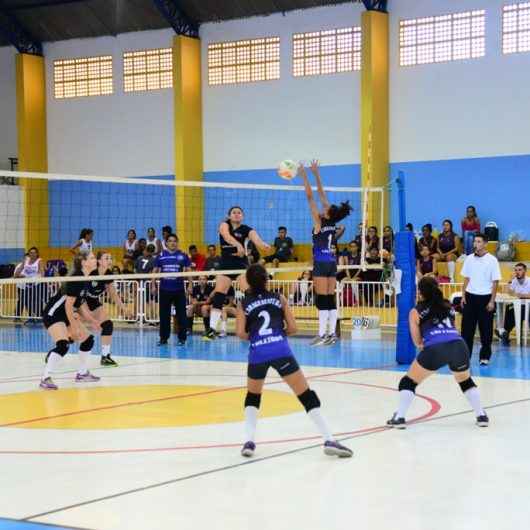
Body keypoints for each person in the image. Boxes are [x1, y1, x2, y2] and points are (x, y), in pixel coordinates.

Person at [236, 263, 353, 458]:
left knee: (253, 396)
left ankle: (249, 442)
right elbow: (293, 329)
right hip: (280, 349)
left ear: (248, 281)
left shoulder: (243, 303)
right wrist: (278, 333)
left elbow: (240, 333)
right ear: (267, 280)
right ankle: (329, 438)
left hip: (258, 352)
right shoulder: (279, 298)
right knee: (306, 395)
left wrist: (257, 337)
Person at [387, 276, 489, 429]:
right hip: (459, 346)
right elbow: (452, 328)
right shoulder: (448, 306)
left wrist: (427, 346)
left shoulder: (415, 311)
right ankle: (481, 415)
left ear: (420, 292)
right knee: (466, 382)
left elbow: (417, 342)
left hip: (435, 348)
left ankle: (399, 417)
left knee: (408, 382)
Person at [299, 160, 352, 346]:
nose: (323, 206)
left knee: (323, 299)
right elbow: (320, 194)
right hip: (331, 262)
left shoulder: (319, 222)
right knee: (329, 299)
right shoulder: (331, 222)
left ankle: (323, 334)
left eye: (326, 208)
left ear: (328, 212)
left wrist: (304, 175)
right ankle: (330, 335)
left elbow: (310, 197)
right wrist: (316, 173)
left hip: (322, 263)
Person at [204, 205, 271, 340]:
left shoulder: (246, 229)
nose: (236, 214)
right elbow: (226, 236)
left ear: (242, 216)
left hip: (241, 265)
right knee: (218, 296)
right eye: (234, 212)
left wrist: (263, 245)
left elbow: (256, 239)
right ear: (229, 215)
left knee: (250, 294)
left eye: (239, 213)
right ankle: (211, 330)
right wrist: (238, 245)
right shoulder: (224, 225)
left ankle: (256, 325)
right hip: (225, 265)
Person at [40, 252, 102, 390]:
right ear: (83, 262)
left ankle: (82, 373)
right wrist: (74, 327)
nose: (95, 260)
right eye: (92, 258)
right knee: (63, 344)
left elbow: (78, 305)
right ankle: (45, 378)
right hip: (54, 314)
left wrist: (92, 321)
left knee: (88, 340)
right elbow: (68, 305)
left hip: (66, 314)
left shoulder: (85, 279)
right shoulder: (77, 278)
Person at [80, 251, 129, 367]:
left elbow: (113, 294)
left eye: (110, 258)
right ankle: (59, 347)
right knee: (74, 331)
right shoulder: (91, 272)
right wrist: (87, 315)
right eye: (106, 258)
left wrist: (124, 308)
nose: (110, 260)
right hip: (80, 302)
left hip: (93, 301)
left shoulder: (108, 274)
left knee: (108, 325)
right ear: (99, 261)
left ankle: (105, 356)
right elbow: (79, 293)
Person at [461, 233, 501, 366]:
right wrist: (463, 295)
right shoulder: (469, 259)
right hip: (470, 297)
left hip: (485, 298)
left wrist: (491, 301)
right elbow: (466, 278)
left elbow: (495, 282)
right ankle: (465, 357)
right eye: (474, 242)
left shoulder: (492, 260)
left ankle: (485, 357)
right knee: (467, 330)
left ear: (485, 243)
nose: (475, 244)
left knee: (486, 330)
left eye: (478, 241)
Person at [152, 234, 191, 346]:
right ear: (166, 243)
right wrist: (153, 285)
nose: (172, 243)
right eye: (170, 241)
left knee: (181, 315)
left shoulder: (183, 255)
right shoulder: (161, 255)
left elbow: (189, 271)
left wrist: (190, 284)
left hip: (179, 290)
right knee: (164, 316)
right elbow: (154, 271)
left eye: (174, 241)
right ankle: (163, 338)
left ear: (177, 242)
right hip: (165, 289)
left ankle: (182, 339)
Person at [496, 263, 530, 345]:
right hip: (517, 306)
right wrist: (510, 280)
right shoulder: (514, 281)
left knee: (520, 310)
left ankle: (504, 332)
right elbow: (507, 292)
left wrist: (519, 295)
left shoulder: (529, 281)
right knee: (509, 308)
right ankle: (505, 333)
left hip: (528, 306)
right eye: (516, 270)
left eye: (520, 270)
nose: (517, 272)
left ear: (525, 271)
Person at [13, 247, 45, 323]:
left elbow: (42, 272)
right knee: (27, 301)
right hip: (26, 286)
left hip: (36, 285)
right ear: (29, 254)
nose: (32, 254)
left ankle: (39, 317)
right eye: (31, 252)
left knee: (36, 301)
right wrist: (19, 272)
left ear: (37, 254)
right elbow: (16, 274)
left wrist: (37, 278)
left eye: (34, 252)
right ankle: (30, 317)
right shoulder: (25, 261)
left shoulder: (39, 261)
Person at [135, 244, 157, 324]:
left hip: (140, 282)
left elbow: (135, 270)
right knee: (150, 301)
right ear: (153, 252)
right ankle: (153, 318)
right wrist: (153, 284)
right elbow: (152, 273)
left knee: (141, 300)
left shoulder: (139, 258)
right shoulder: (153, 260)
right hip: (147, 283)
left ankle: (141, 318)